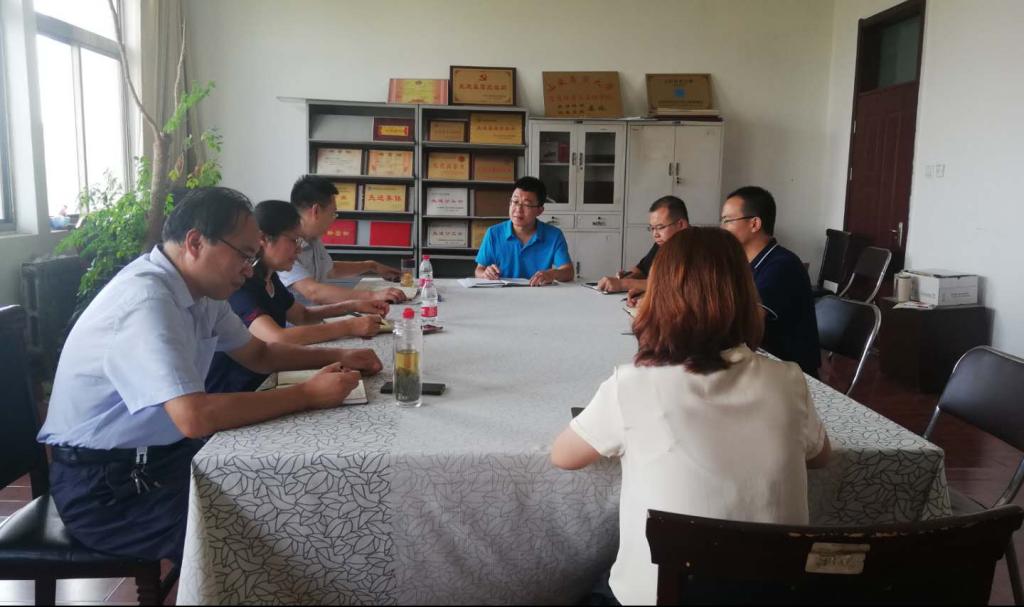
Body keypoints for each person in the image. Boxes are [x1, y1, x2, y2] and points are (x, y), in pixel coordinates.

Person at [36, 187, 383, 566]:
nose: (249, 269)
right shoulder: (146, 300)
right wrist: (308, 394)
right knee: (269, 527)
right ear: (196, 242)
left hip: (161, 458)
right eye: (244, 255)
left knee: (291, 487)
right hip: (107, 487)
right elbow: (195, 417)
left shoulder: (202, 292)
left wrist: (340, 355)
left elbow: (261, 355)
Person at [550, 226, 831, 605]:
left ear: (658, 297)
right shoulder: (787, 380)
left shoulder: (632, 384)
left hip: (660, 595)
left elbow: (563, 456)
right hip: (774, 592)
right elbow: (821, 457)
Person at [206, 200, 391, 394]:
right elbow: (277, 338)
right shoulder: (242, 286)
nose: (299, 249)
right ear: (264, 239)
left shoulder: (270, 277)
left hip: (268, 379)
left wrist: (353, 306)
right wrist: (349, 327)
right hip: (239, 391)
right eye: (293, 240)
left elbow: (302, 315)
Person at [720, 186, 821, 377]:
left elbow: (747, 324)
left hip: (789, 374)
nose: (722, 228)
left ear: (754, 224)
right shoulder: (742, 263)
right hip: (756, 363)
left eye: (727, 221)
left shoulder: (782, 266)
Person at [279, 175, 406, 304]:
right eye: (333, 213)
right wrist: (372, 295)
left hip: (316, 313)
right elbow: (313, 291)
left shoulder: (313, 238)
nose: (334, 219)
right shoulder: (285, 246)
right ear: (316, 211)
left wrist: (371, 265)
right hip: (298, 317)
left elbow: (331, 269)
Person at [474, 176, 574, 286]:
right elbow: (479, 270)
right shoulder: (493, 233)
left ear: (539, 211)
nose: (518, 209)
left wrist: (552, 274)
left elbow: (568, 272)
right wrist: (485, 273)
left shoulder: (554, 235)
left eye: (526, 204)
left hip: (539, 293)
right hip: (503, 293)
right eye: (515, 201)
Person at [596, 195, 689, 293]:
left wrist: (624, 284)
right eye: (652, 228)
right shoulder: (664, 242)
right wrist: (628, 276)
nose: (655, 234)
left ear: (681, 225)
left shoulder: (696, 246)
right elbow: (642, 269)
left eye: (660, 227)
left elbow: (674, 285)